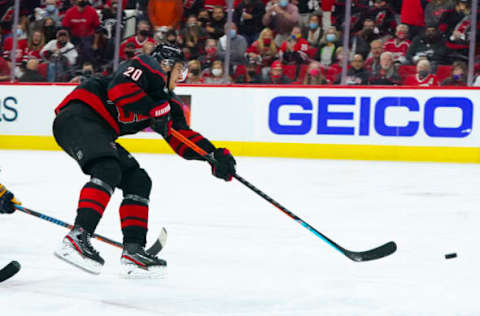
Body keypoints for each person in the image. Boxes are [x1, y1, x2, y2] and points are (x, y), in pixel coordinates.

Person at [52, 44, 236, 277]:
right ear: (165, 65)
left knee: (138, 180)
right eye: (179, 69)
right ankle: (77, 237)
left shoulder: (168, 103)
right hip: (78, 116)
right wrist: (152, 110)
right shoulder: (145, 65)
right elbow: (120, 90)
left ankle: (133, 250)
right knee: (107, 168)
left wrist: (213, 155)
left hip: (101, 131)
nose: (181, 76)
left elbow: (181, 137)